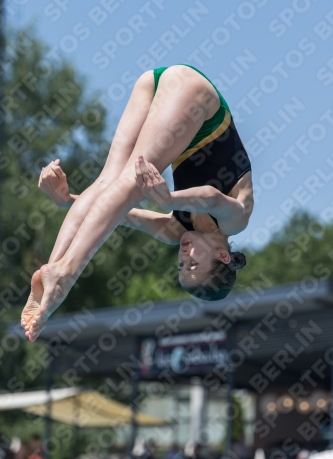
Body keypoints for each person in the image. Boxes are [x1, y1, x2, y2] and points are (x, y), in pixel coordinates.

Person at [21, 64, 254, 341]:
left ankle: (53, 268)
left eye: (181, 267)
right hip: (196, 97)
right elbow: (212, 198)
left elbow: (121, 214)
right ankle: (64, 275)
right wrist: (169, 198)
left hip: (152, 85)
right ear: (223, 256)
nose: (183, 258)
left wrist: (68, 200)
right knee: (132, 183)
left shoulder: (175, 231)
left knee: (107, 183)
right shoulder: (235, 222)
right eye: (192, 265)